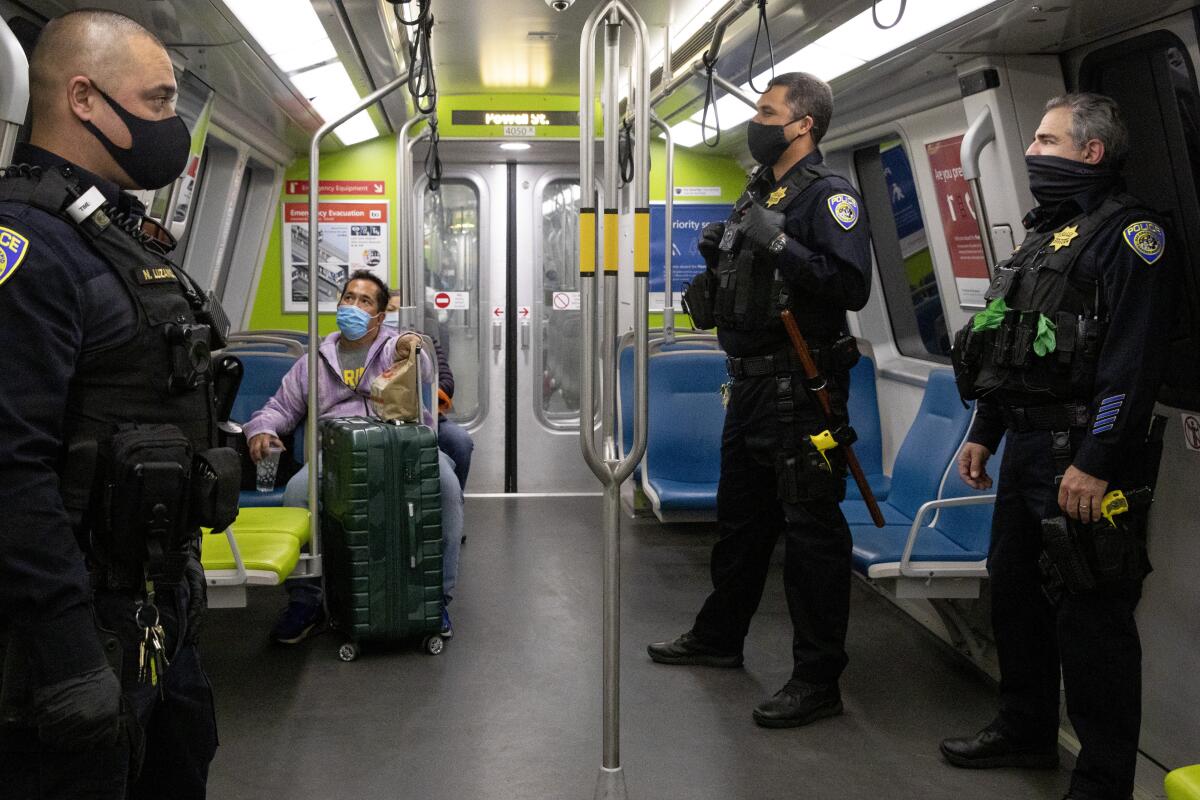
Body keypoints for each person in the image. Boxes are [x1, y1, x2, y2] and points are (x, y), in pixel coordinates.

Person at [0, 10, 223, 797]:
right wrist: (67, 659)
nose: (173, 126)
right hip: (71, 638)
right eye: (159, 101)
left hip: (154, 611)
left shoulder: (114, 236)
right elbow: (10, 466)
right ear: (86, 99)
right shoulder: (28, 248)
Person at [942, 93, 1175, 800]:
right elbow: (1011, 343)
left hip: (1083, 453)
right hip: (1026, 448)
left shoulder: (1132, 236)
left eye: (1046, 141)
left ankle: (1103, 781)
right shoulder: (1046, 235)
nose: (1032, 152)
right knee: (1013, 591)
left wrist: (1096, 462)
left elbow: (1132, 364)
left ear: (1091, 152)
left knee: (1094, 617)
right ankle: (1025, 727)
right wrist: (985, 429)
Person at [647, 72, 872, 728]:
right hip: (746, 384)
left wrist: (777, 241)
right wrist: (720, 254)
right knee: (741, 524)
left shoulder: (829, 197)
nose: (758, 120)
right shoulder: (759, 191)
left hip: (803, 389)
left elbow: (849, 286)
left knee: (811, 538)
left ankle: (817, 678)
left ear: (802, 124)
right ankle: (720, 637)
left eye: (768, 111)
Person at [243, 272, 465, 643]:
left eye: (365, 301)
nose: (354, 306)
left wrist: (413, 344)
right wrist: (262, 429)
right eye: (349, 298)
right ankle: (306, 600)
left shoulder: (396, 347)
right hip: (340, 452)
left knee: (444, 487)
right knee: (298, 493)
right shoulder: (315, 361)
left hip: (400, 444)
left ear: (379, 315)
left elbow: (425, 372)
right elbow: (281, 407)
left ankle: (434, 598)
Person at [385, 289, 474, 492]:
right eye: (390, 311)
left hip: (427, 419)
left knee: (461, 442)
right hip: (387, 422)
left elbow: (446, 381)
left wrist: (420, 395)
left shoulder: (425, 344)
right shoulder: (379, 348)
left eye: (399, 312)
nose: (395, 318)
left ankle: (454, 498)